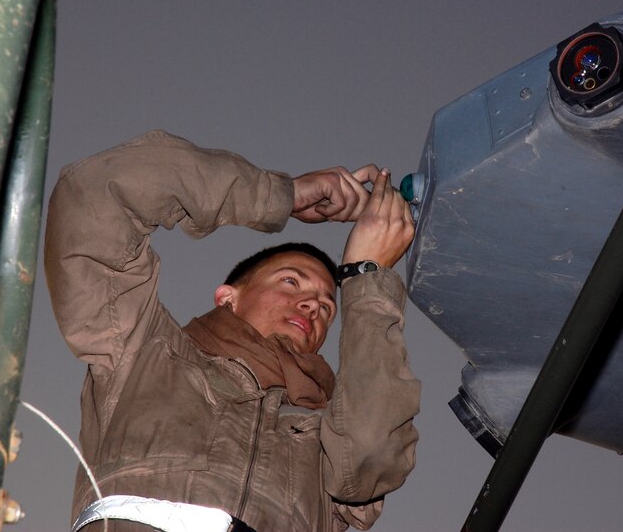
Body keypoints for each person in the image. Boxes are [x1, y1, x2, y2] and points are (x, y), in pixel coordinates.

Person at [44, 130, 420, 532]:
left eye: (329, 306)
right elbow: (95, 193)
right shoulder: (140, 350)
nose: (313, 305)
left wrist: (367, 278)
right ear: (228, 297)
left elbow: (370, 458)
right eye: (291, 282)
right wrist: (282, 195)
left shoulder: (327, 433)